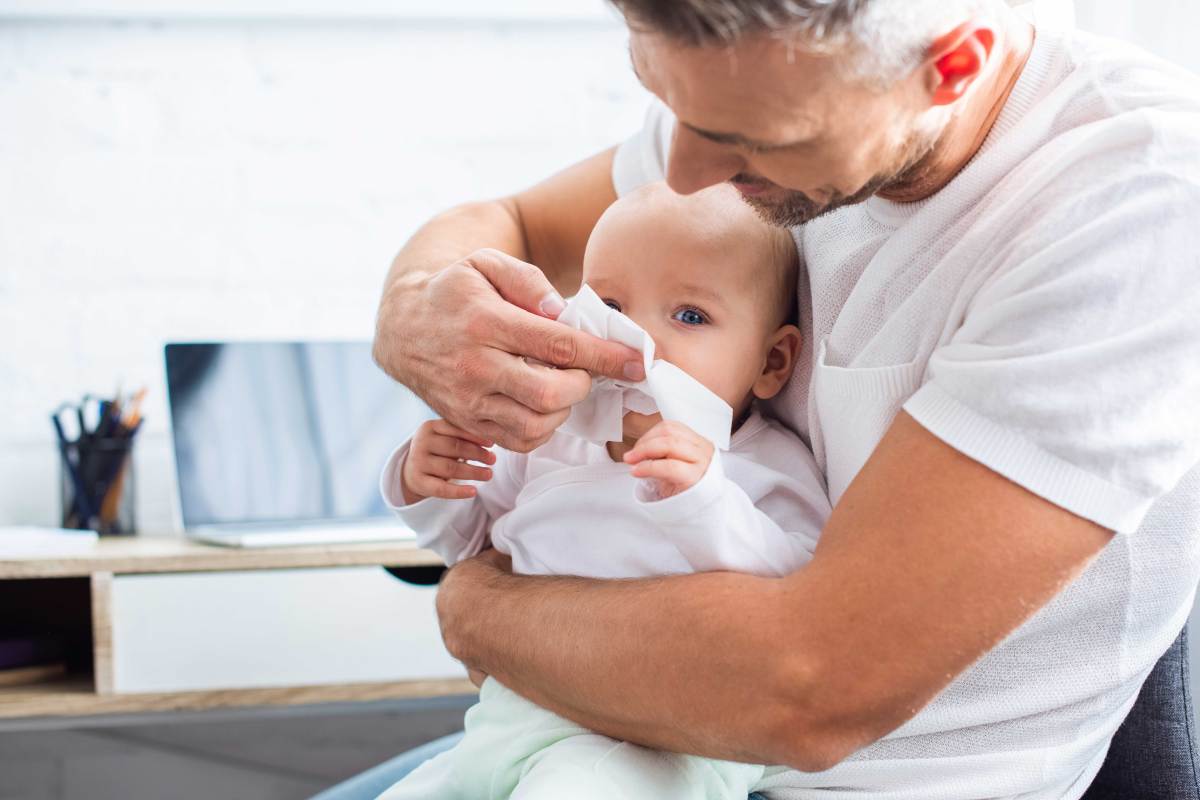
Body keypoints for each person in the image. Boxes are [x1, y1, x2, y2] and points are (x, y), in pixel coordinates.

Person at [360, 0, 1200, 796]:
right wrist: (414, 306)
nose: (687, 174)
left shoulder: (1132, 206)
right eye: (665, 102)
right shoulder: (758, 92)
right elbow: (509, 219)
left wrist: (478, 610)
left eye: (748, 139)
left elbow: (807, 692)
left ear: (952, 67)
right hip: (577, 720)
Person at [376, 182, 830, 800]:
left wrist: (703, 500)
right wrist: (431, 483)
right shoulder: (551, 438)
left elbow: (797, 587)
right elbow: (472, 547)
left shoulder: (759, 466)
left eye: (690, 316)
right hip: (506, 721)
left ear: (772, 361)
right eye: (610, 307)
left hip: (649, 751)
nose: (635, 346)